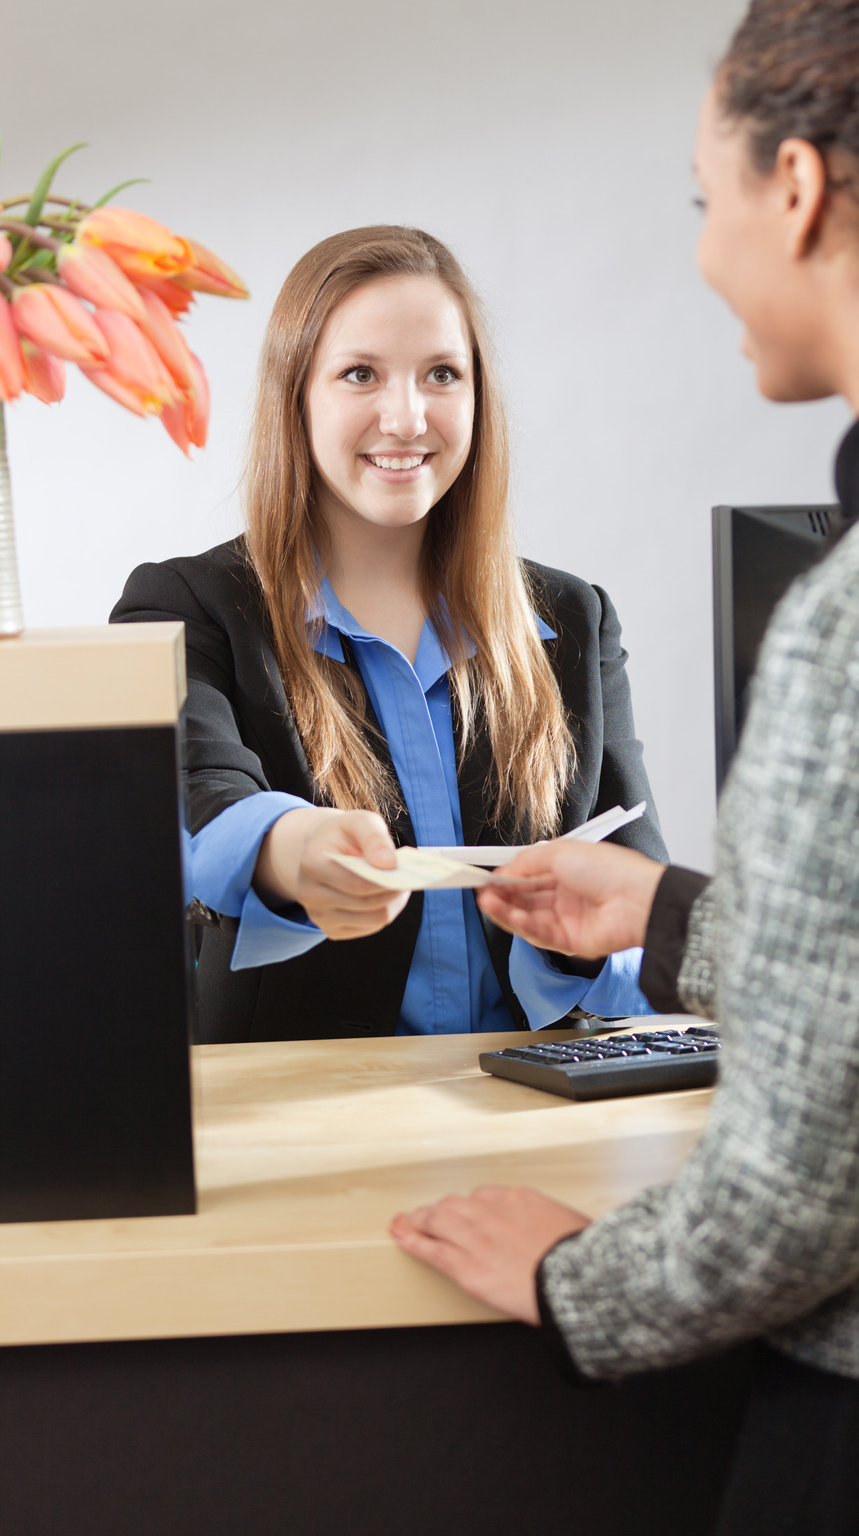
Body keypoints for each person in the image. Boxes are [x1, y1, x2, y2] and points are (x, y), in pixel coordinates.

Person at [389, 0, 859, 1531]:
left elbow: (807, 1195)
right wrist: (676, 918)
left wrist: (581, 1278)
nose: (707, 250)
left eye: (702, 197)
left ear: (795, 188)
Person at [112, 226, 666, 1042]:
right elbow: (191, 806)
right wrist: (290, 846)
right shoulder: (186, 604)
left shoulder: (573, 618)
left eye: (442, 374)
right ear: (297, 394)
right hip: (308, 1118)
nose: (406, 417)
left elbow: (646, 913)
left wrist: (588, 946)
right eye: (359, 374)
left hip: (534, 1105)